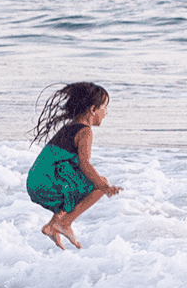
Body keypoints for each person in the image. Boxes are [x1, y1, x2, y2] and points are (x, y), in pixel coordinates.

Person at [26, 81, 121, 249]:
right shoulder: (85, 131)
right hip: (47, 182)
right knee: (98, 184)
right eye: (105, 107)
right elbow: (86, 165)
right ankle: (65, 223)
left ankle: (52, 226)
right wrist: (105, 187)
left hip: (35, 182)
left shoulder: (68, 128)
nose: (106, 112)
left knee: (73, 180)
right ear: (93, 109)